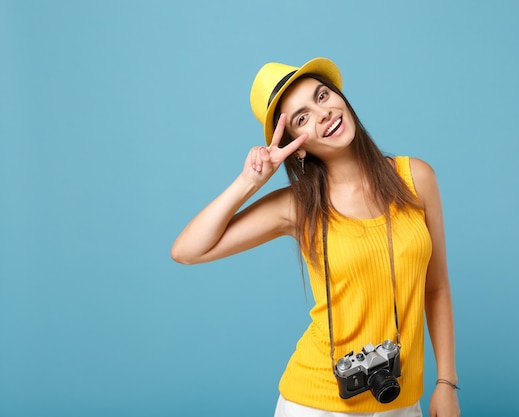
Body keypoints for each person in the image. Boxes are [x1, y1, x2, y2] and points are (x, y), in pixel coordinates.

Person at [171, 57, 460, 417]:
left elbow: (437, 289)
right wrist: (249, 182)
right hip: (318, 402)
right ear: (298, 146)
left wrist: (446, 383)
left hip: (399, 398)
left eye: (322, 96)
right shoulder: (297, 206)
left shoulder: (416, 178)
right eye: (301, 118)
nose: (322, 114)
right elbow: (187, 250)